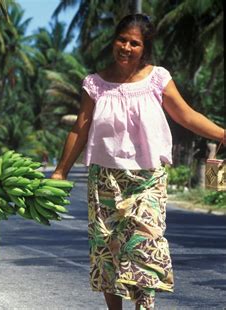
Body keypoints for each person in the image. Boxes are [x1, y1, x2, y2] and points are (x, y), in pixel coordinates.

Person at [51, 14, 226, 310]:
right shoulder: (94, 84)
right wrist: (59, 171)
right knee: (108, 251)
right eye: (122, 40)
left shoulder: (157, 78)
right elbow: (79, 128)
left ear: (144, 48)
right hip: (104, 179)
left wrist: (222, 133)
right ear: (113, 40)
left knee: (146, 248)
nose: (126, 47)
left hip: (147, 179)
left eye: (135, 43)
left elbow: (185, 114)